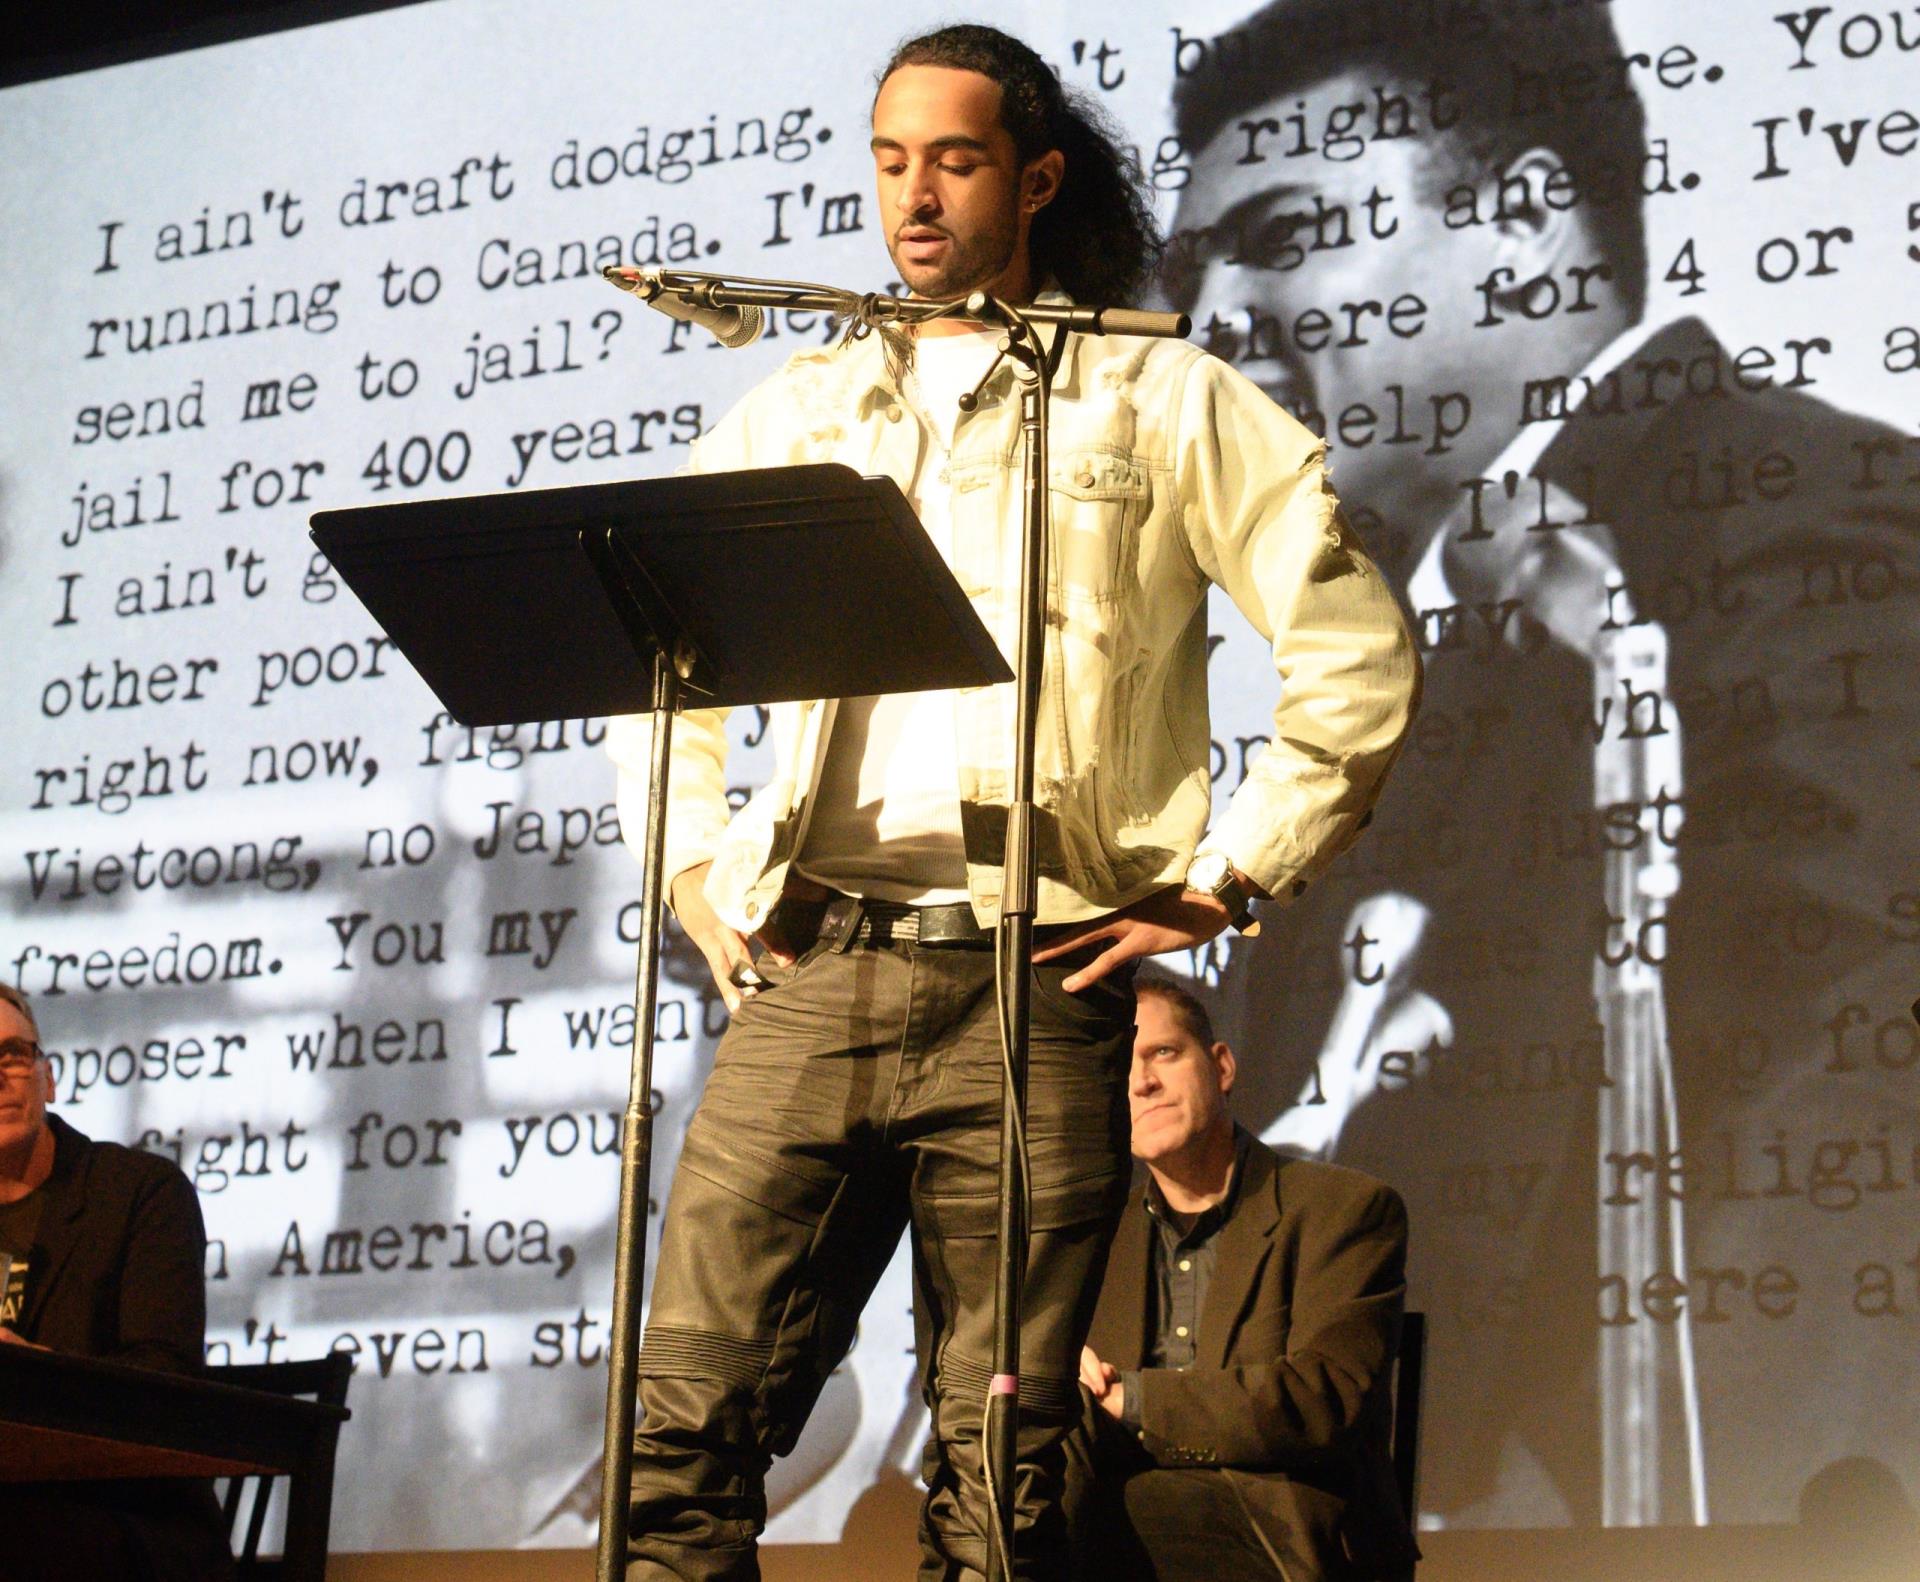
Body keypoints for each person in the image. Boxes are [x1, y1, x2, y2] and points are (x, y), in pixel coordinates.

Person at [604, 22, 1419, 1579]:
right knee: (676, 1428)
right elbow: (667, 652)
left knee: (1005, 1473)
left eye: (956, 160)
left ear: (1036, 177)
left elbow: (1355, 653)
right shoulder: (809, 402)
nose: (914, 197)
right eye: (891, 160)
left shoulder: (1154, 393)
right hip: (819, 962)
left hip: (1036, 984)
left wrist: (1225, 876)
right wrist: (694, 870)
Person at [1167, 0, 1920, 1528]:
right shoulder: (1421, 646)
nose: (1212, 325)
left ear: (1521, 220)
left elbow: (1838, 1083)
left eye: (1286, 232)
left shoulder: (1809, 520)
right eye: (1191, 275)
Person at [1069, 977, 1417, 1581]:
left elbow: (1321, 1399)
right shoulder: (1095, 1242)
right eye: (1121, 1071)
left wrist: (1133, 1400)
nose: (1141, 1083)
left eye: (1163, 1053)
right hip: (1115, 1531)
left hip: (1281, 1538)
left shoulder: (1347, 1210)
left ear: (1221, 1065)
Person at [0, 983, 234, 1581]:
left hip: (128, 1518)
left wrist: (36, 1371)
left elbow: (168, 1382)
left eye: (13, 1056)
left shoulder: (139, 1194)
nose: (0, 1077)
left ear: (48, 1078)